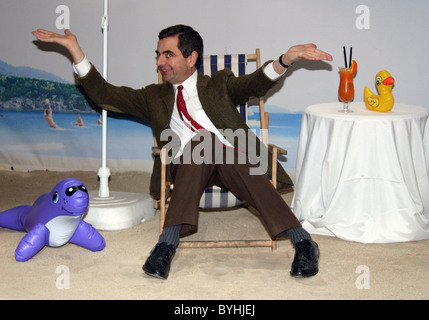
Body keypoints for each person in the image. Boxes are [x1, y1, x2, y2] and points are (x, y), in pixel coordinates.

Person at [32, 25, 333, 280]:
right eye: (158, 54)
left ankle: (302, 243)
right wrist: (74, 49)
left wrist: (286, 59)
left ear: (191, 58)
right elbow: (105, 94)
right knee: (202, 143)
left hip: (232, 161)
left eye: (168, 54)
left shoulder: (219, 83)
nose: (160, 61)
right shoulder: (153, 95)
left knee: (217, 147)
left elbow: (254, 83)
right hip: (186, 165)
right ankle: (170, 243)